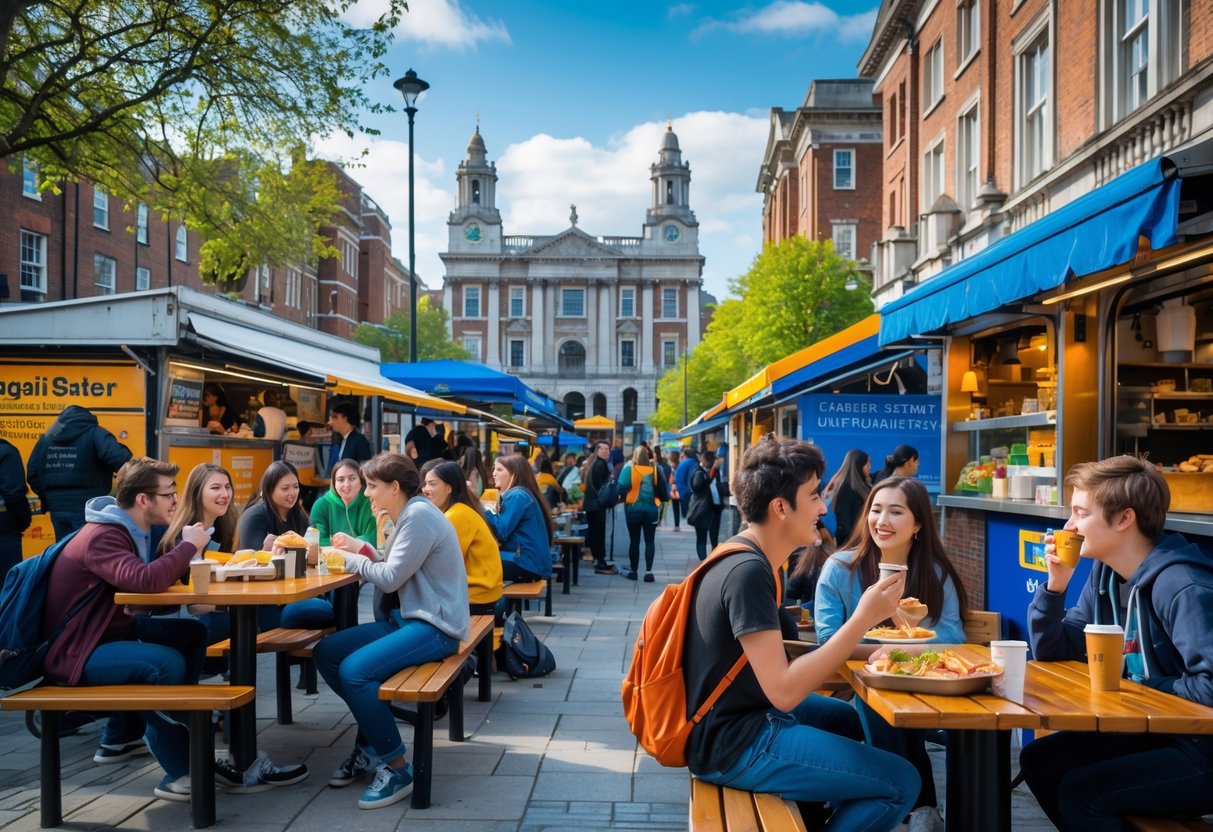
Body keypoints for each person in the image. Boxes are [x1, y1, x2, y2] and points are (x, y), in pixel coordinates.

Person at [684, 435, 918, 828]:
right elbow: (786, 690)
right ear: (780, 507)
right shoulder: (748, 574)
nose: (823, 507)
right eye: (813, 496)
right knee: (901, 781)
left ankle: (816, 809)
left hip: (745, 717)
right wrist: (863, 618)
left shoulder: (750, 557)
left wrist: (874, 650)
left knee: (852, 721)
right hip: (735, 742)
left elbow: (780, 661)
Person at [1020, 456, 1213, 830]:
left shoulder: (1182, 585)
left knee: (1083, 793)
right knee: (1040, 762)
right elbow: (1055, 651)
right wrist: (1056, 585)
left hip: (1202, 749)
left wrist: (1131, 687)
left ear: (1124, 519)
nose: (1069, 526)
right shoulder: (1105, 573)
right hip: (1157, 733)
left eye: (1080, 513)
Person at [39, 457, 213, 801]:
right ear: (143, 500)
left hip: (106, 635)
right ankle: (181, 770)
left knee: (191, 635)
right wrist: (189, 545)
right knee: (164, 663)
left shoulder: (125, 529)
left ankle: (175, 727)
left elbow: (136, 591)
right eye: (169, 494)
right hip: (76, 652)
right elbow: (145, 581)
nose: (176, 501)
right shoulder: (104, 535)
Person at [815, 476, 969, 830]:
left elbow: (953, 636)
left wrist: (894, 648)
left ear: (917, 524)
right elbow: (828, 639)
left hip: (931, 689)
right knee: (876, 695)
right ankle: (922, 807)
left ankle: (906, 804)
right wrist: (888, 650)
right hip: (865, 689)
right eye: (876, 510)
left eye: (895, 512)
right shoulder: (841, 569)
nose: (881, 521)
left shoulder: (935, 572)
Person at [315, 453, 468, 809]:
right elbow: (391, 563)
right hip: (411, 618)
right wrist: (364, 549)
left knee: (355, 671)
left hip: (436, 626)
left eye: (371, 486)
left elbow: (388, 578)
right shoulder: (409, 513)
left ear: (394, 487)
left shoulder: (417, 516)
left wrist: (343, 558)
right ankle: (373, 741)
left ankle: (398, 768)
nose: (366, 493)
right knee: (327, 652)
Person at [238, 461, 328, 630]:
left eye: (295, 486)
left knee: (334, 600)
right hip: (264, 603)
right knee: (327, 610)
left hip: (294, 593)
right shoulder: (254, 517)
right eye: (285, 488)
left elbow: (307, 561)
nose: (292, 493)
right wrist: (268, 552)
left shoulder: (297, 515)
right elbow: (250, 566)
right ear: (269, 490)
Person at [27, 404, 132, 539]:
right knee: (88, 549)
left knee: (63, 552)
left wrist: (48, 496)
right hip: (89, 504)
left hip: (57, 506)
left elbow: (32, 473)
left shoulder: (46, 438)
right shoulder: (95, 432)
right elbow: (121, 459)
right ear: (88, 418)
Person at [420, 460, 504, 615]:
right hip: (483, 591)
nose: (425, 489)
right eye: (424, 484)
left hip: (477, 595)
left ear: (449, 488)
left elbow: (440, 563)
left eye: (432, 484)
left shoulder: (456, 515)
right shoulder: (458, 510)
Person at [484, 454, 554, 583]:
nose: (493, 473)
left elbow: (502, 531)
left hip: (526, 563)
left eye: (499, 469)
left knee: (476, 567)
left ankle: (489, 603)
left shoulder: (517, 495)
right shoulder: (521, 493)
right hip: (531, 563)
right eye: (494, 469)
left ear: (514, 473)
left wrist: (486, 510)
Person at [618, 446, 665, 582]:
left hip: (633, 509)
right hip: (651, 510)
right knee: (650, 541)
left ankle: (634, 570)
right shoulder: (654, 470)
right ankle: (649, 572)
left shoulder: (629, 469)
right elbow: (661, 487)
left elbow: (620, 487)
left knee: (634, 541)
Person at [310, 459, 377, 547]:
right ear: (334, 483)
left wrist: (337, 541)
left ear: (361, 480)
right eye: (340, 480)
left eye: (352, 478)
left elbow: (372, 541)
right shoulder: (321, 506)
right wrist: (352, 543)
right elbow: (316, 542)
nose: (347, 485)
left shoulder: (371, 503)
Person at [580, 441, 618, 575]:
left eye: (608, 449)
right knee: (598, 533)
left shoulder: (594, 463)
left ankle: (597, 558)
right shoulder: (601, 465)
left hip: (591, 505)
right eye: (604, 449)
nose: (607, 451)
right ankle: (600, 560)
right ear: (598, 451)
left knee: (594, 532)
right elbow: (603, 487)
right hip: (597, 505)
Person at [0, 436, 32, 581]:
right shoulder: (6, 452)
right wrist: (24, 519)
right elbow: (14, 493)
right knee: (8, 587)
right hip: (4, 529)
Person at [687, 449, 725, 561]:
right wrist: (713, 471)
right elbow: (698, 486)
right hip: (702, 509)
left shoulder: (714, 472)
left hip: (715, 507)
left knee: (714, 536)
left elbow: (717, 485)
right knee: (702, 537)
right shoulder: (699, 472)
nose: (701, 459)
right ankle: (704, 562)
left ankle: (713, 559)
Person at [830, 449, 873, 546]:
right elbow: (845, 524)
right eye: (867, 465)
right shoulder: (847, 489)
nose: (870, 468)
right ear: (859, 467)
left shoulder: (861, 486)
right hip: (852, 545)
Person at [327, 402, 373, 472]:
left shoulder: (359, 440)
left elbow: (364, 470)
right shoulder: (342, 440)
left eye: (335, 417)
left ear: (345, 419)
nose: (331, 422)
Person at [666, 450, 683, 532]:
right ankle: (677, 525)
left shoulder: (678, 467)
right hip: (675, 490)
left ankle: (677, 525)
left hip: (678, 489)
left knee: (678, 507)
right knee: (676, 507)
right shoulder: (673, 468)